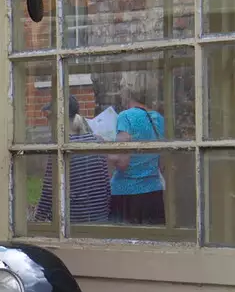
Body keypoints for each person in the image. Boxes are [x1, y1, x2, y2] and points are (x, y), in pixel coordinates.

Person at [35, 95, 111, 224]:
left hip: (72, 220)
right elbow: (106, 184)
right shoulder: (97, 141)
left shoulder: (57, 147)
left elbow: (49, 191)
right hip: (99, 217)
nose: (48, 122)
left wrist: (37, 221)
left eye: (49, 117)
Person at [108, 85, 166, 225]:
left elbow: (122, 162)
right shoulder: (158, 118)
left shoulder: (125, 116)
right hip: (154, 191)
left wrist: (103, 148)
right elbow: (162, 162)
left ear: (128, 95)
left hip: (127, 193)